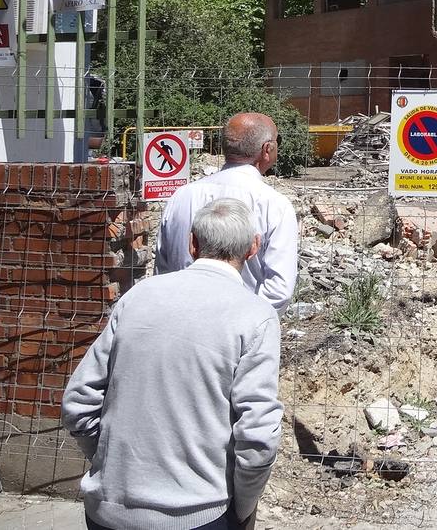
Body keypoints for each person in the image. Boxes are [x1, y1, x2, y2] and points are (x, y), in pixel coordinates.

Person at [63, 198, 283, 530]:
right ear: (253, 248)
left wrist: (110, 465)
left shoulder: (137, 297)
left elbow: (78, 403)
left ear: (192, 243)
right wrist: (243, 508)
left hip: (107, 511)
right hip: (199, 515)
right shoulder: (256, 316)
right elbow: (258, 438)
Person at [156, 112, 298, 315]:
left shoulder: (182, 196)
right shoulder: (274, 205)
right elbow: (278, 290)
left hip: (181, 319)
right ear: (267, 149)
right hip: (240, 330)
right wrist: (247, 325)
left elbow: (163, 269)